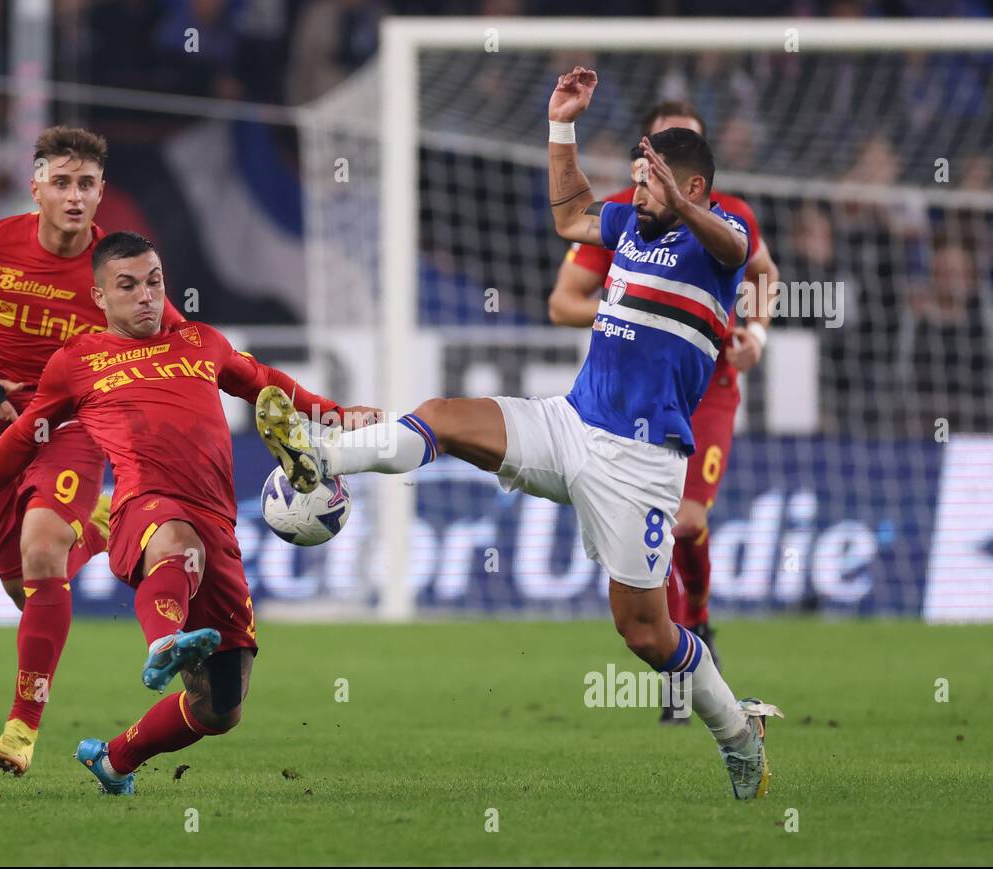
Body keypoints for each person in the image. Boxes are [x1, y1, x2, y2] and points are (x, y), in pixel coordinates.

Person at [259, 68, 782, 800]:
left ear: (693, 189)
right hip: (568, 423)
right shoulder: (628, 224)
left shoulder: (720, 237)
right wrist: (560, 124)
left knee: (644, 634)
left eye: (653, 178)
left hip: (640, 465)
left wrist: (680, 196)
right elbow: (571, 216)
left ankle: (738, 732)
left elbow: (733, 248)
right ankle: (321, 456)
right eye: (635, 175)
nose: (637, 189)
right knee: (442, 415)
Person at [0, 231, 378, 795]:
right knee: (176, 543)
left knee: (220, 707)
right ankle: (162, 640)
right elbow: (22, 438)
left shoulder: (202, 342)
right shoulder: (78, 362)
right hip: (144, 508)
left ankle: (116, 759)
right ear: (99, 297)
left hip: (216, 522)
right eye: (127, 286)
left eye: (154, 282)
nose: (145, 296)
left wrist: (338, 415)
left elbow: (267, 384)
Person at [0, 127, 188, 775]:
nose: (73, 195)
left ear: (100, 194)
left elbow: (182, 340)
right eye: (60, 181)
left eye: (85, 184)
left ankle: (20, 730)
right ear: (35, 186)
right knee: (28, 585)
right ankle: (100, 525)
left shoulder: (114, 270)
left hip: (74, 426)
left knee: (41, 547)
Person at [548, 99, 782, 723]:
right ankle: (690, 648)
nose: (658, 168)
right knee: (674, 526)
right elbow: (563, 301)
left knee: (688, 521)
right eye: (653, 153)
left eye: (677, 153)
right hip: (638, 395)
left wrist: (756, 335)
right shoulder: (631, 217)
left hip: (711, 389)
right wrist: (637, 312)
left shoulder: (731, 221)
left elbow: (762, 271)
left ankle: (696, 626)